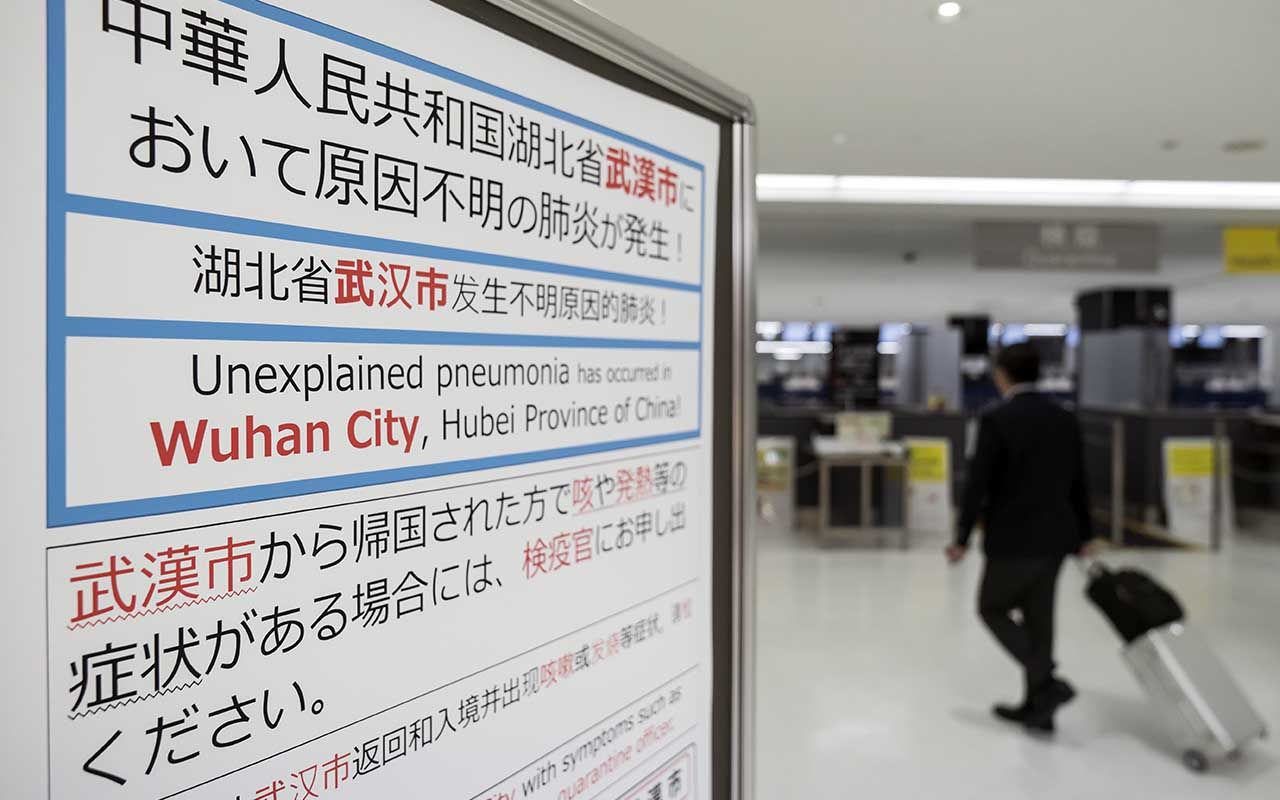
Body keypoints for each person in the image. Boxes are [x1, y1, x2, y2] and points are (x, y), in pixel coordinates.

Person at [945, 342, 1098, 734]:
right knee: (1039, 619)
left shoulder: (997, 419)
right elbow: (1079, 480)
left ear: (1002, 375)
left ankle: (1047, 684)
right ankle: (1038, 709)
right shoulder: (1064, 418)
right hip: (1057, 537)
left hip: (1013, 536)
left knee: (991, 608)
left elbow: (978, 484)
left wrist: (961, 536)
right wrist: (1086, 533)